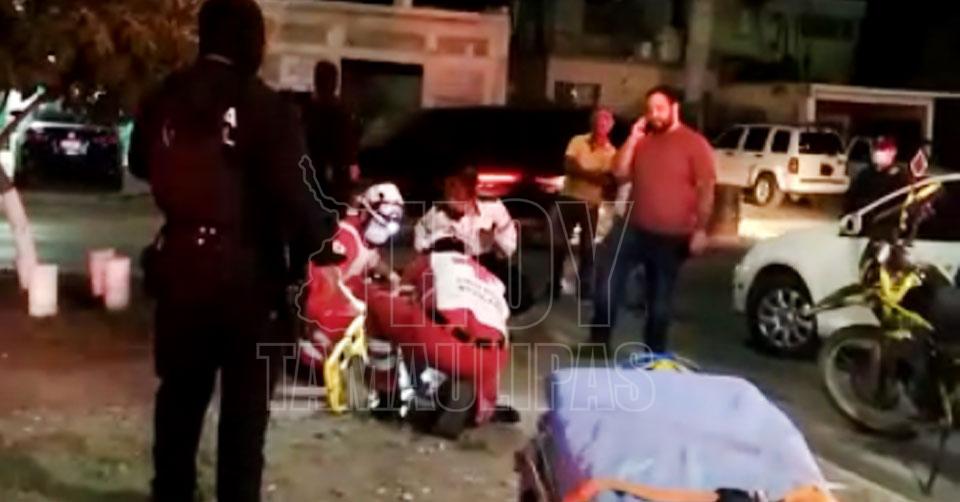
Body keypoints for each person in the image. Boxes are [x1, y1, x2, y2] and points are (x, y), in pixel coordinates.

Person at [129, 1, 338, 500]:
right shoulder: (265, 107)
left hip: (180, 266)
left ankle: (171, 492)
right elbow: (296, 194)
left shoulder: (165, 96)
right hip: (249, 278)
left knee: (179, 400)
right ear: (251, 40)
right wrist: (321, 241)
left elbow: (138, 161)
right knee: (244, 417)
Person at [590, 85, 716, 355]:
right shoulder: (644, 142)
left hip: (672, 235)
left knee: (659, 299)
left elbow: (706, 188)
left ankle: (653, 354)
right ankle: (598, 342)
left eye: (660, 109)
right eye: (650, 110)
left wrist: (701, 229)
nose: (654, 115)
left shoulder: (694, 144)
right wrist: (633, 138)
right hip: (634, 228)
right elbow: (619, 172)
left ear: (674, 108)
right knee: (607, 280)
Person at [415, 166, 533, 313]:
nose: (449, 191)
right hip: (453, 268)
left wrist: (494, 238)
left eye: (454, 185)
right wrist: (436, 242)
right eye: (447, 186)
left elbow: (509, 245)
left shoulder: (492, 208)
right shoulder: (437, 214)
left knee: (518, 291)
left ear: (469, 189)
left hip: (485, 266)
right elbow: (421, 239)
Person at [549, 108, 617, 299]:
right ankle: (554, 284)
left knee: (588, 248)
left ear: (610, 127)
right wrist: (594, 176)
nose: (600, 126)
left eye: (604, 123)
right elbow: (569, 166)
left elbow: (608, 180)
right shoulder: (578, 141)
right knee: (558, 244)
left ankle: (584, 287)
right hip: (569, 198)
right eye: (598, 121)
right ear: (592, 123)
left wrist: (582, 172)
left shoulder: (612, 152)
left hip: (591, 204)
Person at [302, 60, 360, 207]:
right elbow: (349, 145)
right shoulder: (341, 112)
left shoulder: (308, 110)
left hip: (316, 177)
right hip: (333, 179)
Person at [844, 136, 910, 214]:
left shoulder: (901, 178)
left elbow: (902, 204)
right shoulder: (865, 174)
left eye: (883, 149)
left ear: (893, 151)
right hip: (863, 217)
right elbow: (851, 198)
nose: (878, 153)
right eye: (876, 149)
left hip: (887, 219)